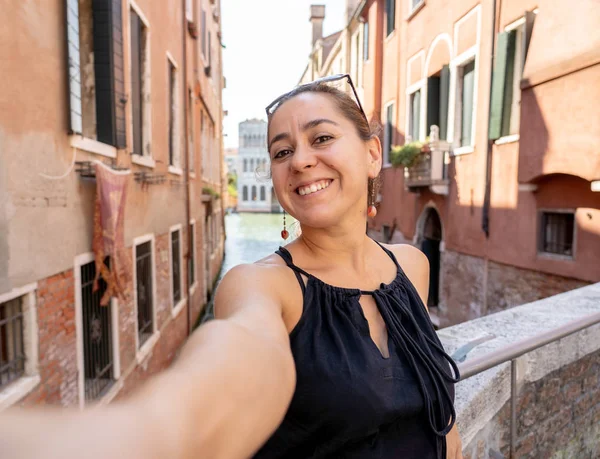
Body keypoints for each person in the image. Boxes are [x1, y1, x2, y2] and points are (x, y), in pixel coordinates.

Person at [0, 74, 462, 459]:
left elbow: (439, 420)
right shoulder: (261, 286)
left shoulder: (412, 266)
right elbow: (239, 360)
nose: (300, 160)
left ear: (373, 154)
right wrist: (145, 430)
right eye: (282, 152)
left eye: (321, 138)